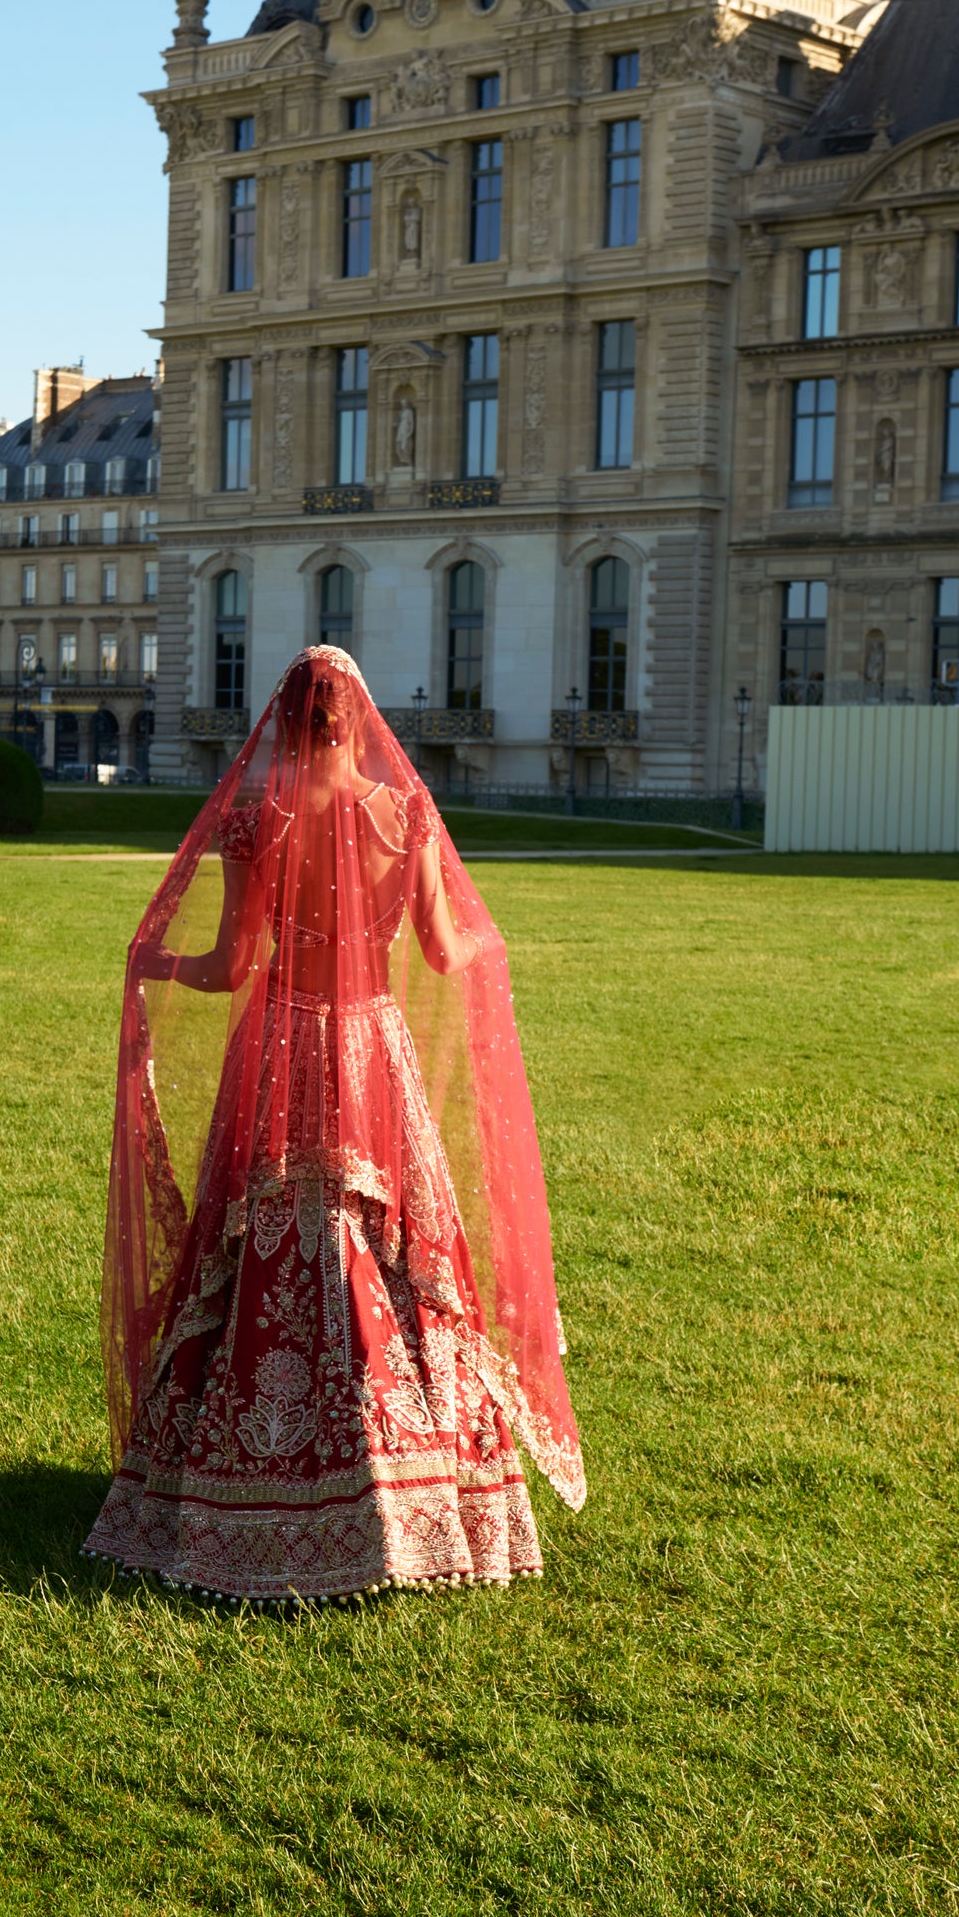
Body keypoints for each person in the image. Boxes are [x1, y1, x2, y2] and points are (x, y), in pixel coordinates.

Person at [84, 646, 585, 1604]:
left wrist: (160, 961)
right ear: (356, 718)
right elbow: (445, 950)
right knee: (392, 1251)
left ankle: (241, 1476)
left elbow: (234, 966)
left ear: (282, 718)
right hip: (373, 1054)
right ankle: (418, 1482)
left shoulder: (254, 817)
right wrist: (491, 935)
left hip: (280, 1048)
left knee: (263, 1245)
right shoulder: (405, 814)